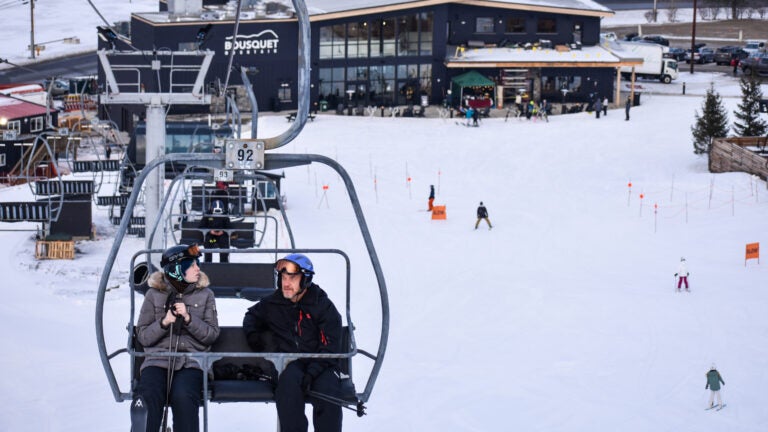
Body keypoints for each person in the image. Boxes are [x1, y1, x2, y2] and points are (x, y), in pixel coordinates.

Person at [243, 254, 344, 432]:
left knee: (328, 392)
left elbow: (330, 346)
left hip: (322, 363)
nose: (286, 283)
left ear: (305, 280)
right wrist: (252, 334)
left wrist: (312, 372)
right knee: (287, 388)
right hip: (291, 363)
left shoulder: (322, 306)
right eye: (283, 277)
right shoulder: (273, 303)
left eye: (292, 278)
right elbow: (251, 315)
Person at [131, 244, 220, 432]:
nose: (198, 268)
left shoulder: (205, 295)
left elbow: (211, 335)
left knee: (184, 396)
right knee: (149, 394)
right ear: (178, 270)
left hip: (192, 362)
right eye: (192, 264)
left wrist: (188, 318)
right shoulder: (154, 295)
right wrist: (164, 322)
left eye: (198, 263)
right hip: (157, 360)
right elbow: (144, 337)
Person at [201, 194, 230, 263]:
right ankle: (208, 262)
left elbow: (229, 227)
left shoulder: (225, 216)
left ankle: (224, 263)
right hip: (212, 239)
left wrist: (223, 231)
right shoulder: (208, 215)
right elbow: (201, 226)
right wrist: (210, 231)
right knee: (208, 242)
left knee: (224, 243)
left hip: (221, 238)